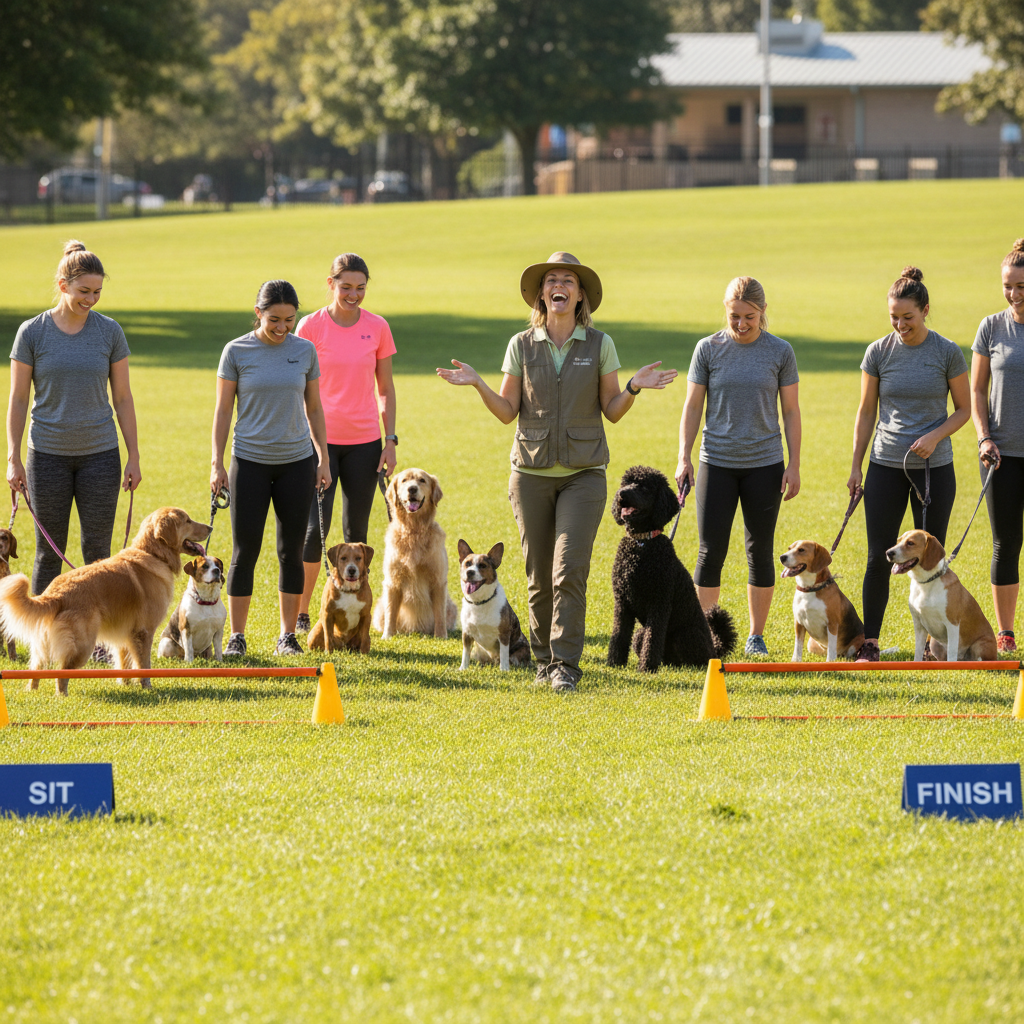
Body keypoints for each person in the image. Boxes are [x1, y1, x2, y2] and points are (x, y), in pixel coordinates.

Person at [437, 252, 676, 692]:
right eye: (551, 280)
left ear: (580, 294)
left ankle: (565, 665)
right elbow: (507, 411)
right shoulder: (521, 344)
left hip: (584, 474)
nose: (559, 286)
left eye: (568, 280)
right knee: (539, 577)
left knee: (568, 572)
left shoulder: (600, 344)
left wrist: (633, 387)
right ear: (541, 294)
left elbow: (613, 410)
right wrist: (477, 383)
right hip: (530, 474)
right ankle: (543, 662)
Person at [6, 240, 141, 625]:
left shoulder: (109, 332)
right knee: (49, 553)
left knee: (98, 554)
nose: (91, 299)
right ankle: (44, 637)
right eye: (84, 291)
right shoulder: (32, 333)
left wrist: (133, 455)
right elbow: (18, 399)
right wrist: (13, 456)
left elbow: (123, 398)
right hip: (46, 457)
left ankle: (95, 637)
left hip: (101, 456)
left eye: (98, 292)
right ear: (63, 285)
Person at [675, 276, 801, 657]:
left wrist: (794, 464)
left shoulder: (780, 352)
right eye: (734, 317)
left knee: (760, 551)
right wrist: (683, 456)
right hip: (716, 463)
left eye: (749, 316)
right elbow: (692, 406)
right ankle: (703, 636)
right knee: (710, 551)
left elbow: (791, 411)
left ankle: (755, 636)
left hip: (765, 464)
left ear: (763, 312)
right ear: (725, 311)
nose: (742, 324)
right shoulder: (708, 349)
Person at [848, 266, 969, 662]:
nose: (900, 325)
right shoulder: (878, 352)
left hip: (935, 470)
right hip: (885, 466)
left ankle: (934, 646)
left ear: (925, 311)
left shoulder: (946, 352)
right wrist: (856, 466)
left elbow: (964, 410)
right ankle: (870, 642)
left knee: (932, 561)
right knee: (878, 557)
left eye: (908, 317)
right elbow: (867, 412)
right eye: (893, 317)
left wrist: (935, 437)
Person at [211, 280, 331, 658]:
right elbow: (223, 411)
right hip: (249, 463)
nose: (282, 327)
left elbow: (314, 408)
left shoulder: (304, 350)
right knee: (244, 552)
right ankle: (237, 637)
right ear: (258, 313)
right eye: (274, 319)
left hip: (297, 463)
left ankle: (287, 636)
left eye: (289, 320)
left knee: (291, 551)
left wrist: (323, 458)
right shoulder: (236, 351)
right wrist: (217, 463)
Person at [294, 253, 397, 633]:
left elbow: (385, 389)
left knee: (356, 536)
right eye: (346, 287)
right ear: (331, 284)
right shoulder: (310, 326)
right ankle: (303, 614)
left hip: (365, 443)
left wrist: (390, 440)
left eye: (361, 287)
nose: (353, 294)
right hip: (317, 444)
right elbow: (297, 386)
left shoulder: (378, 327)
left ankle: (354, 617)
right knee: (313, 533)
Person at [972, 239, 1024, 653]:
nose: (1013, 294)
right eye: (1008, 286)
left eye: (1021, 286)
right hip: (1001, 456)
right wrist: (984, 437)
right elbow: (976, 390)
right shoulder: (991, 327)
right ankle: (1005, 633)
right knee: (1005, 544)